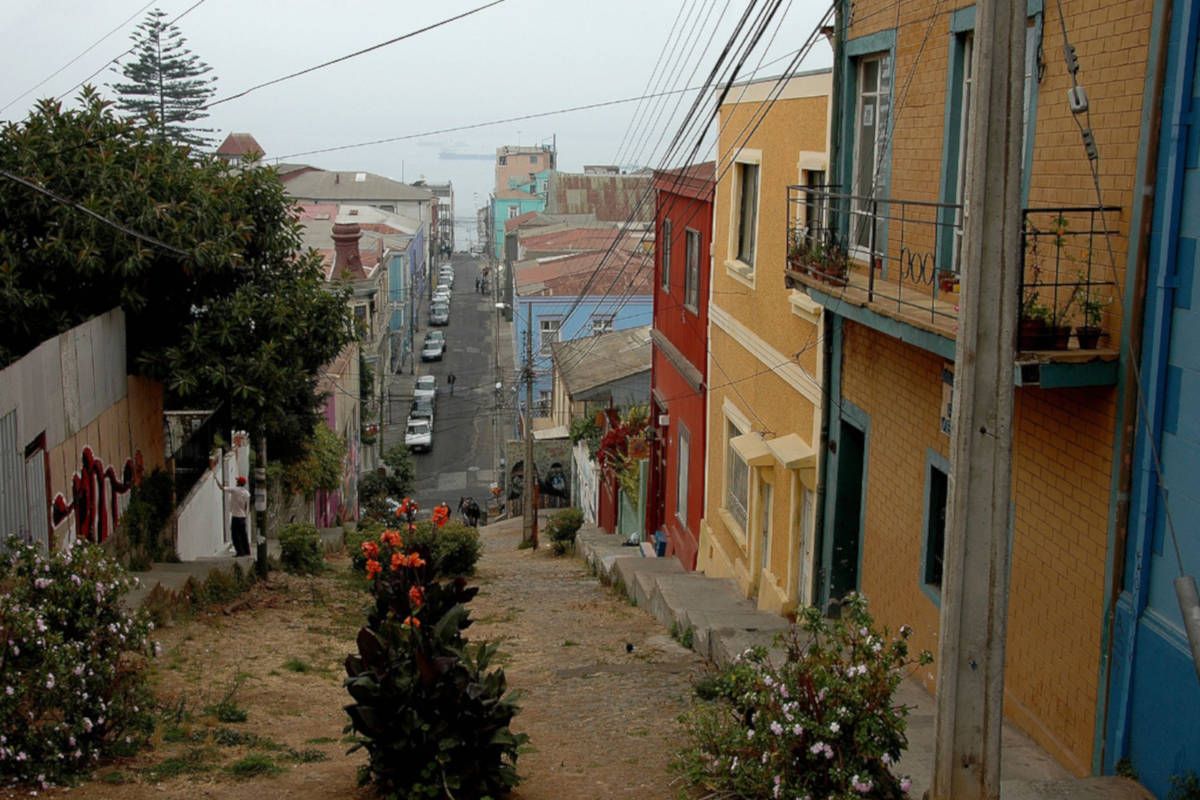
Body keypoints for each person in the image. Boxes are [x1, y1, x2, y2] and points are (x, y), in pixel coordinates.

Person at [220, 474, 252, 556]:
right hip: (243, 517)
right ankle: (247, 551)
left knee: (235, 535)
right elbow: (247, 507)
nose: (236, 482)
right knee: (243, 535)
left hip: (235, 517)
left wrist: (216, 480)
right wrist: (245, 516)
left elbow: (222, 488)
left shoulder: (235, 490)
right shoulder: (247, 493)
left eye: (237, 481)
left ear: (238, 483)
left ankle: (240, 552)